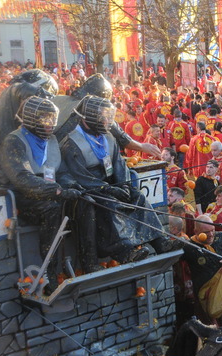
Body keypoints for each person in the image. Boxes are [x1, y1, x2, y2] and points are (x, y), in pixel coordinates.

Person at [0, 97, 100, 287]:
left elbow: (61, 172)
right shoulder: (13, 141)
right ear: (31, 119)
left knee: (86, 201)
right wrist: (57, 191)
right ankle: (49, 271)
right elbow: (22, 178)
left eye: (52, 118)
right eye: (45, 118)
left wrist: (72, 185)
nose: (50, 123)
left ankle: (89, 263)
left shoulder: (52, 140)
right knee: (51, 208)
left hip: (51, 190)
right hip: (22, 196)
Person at [59, 95, 166, 263]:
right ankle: (125, 251)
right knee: (110, 204)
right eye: (103, 117)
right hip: (91, 189)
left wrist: (124, 185)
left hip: (112, 185)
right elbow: (81, 177)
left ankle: (160, 241)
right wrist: (108, 189)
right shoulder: (72, 143)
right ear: (89, 118)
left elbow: (119, 164)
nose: (108, 122)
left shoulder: (108, 136)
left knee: (137, 196)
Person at [180, 215, 222, 327]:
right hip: (204, 299)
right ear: (196, 231)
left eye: (212, 230)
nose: (211, 234)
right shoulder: (189, 247)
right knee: (209, 331)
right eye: (206, 232)